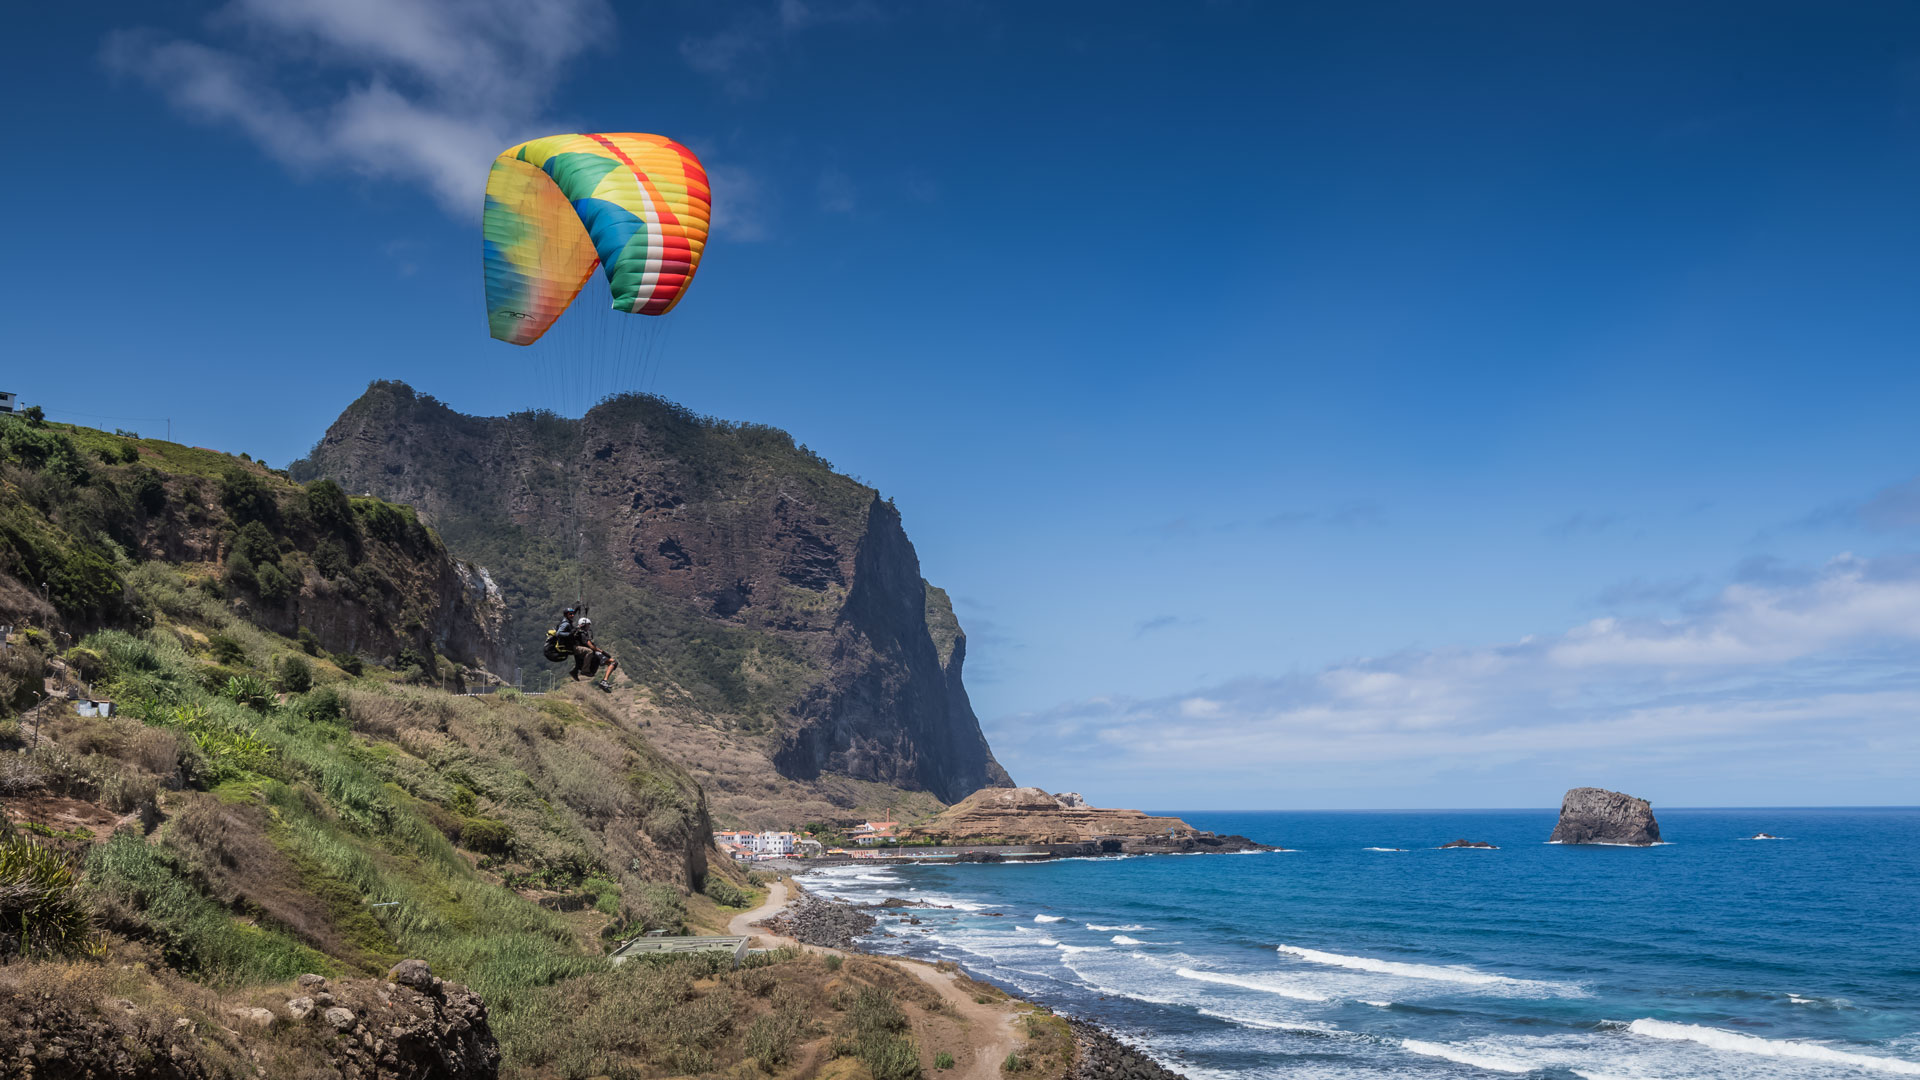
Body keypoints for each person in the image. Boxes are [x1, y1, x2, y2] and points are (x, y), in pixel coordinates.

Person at [570, 615, 619, 691]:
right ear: (584, 625)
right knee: (613, 662)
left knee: (610, 663)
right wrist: (602, 651)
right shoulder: (583, 633)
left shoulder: (579, 633)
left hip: (591, 654)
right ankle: (604, 681)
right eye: (588, 625)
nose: (589, 627)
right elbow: (591, 646)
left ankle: (604, 681)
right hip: (594, 653)